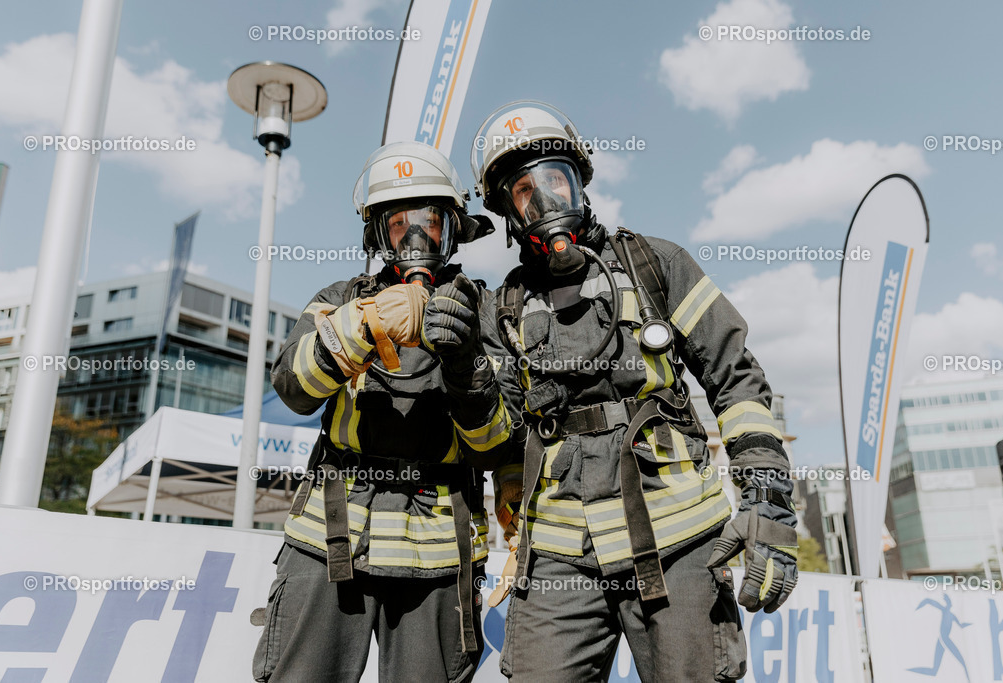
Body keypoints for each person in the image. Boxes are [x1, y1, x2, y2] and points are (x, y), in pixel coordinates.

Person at [471, 102, 799, 681]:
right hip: (559, 555)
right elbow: (498, 437)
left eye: (555, 179)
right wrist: (464, 376)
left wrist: (768, 501)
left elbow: (738, 380)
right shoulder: (503, 308)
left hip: (679, 539)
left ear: (579, 182)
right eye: (523, 190)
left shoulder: (655, 265)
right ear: (507, 212)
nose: (544, 198)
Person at [252, 141, 512, 683]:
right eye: (399, 225)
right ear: (378, 235)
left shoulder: (486, 315)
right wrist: (360, 327)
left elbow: (496, 445)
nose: (415, 239)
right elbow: (292, 388)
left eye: (430, 222)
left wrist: (465, 362)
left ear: (453, 229)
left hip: (439, 555)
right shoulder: (340, 298)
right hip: (328, 542)